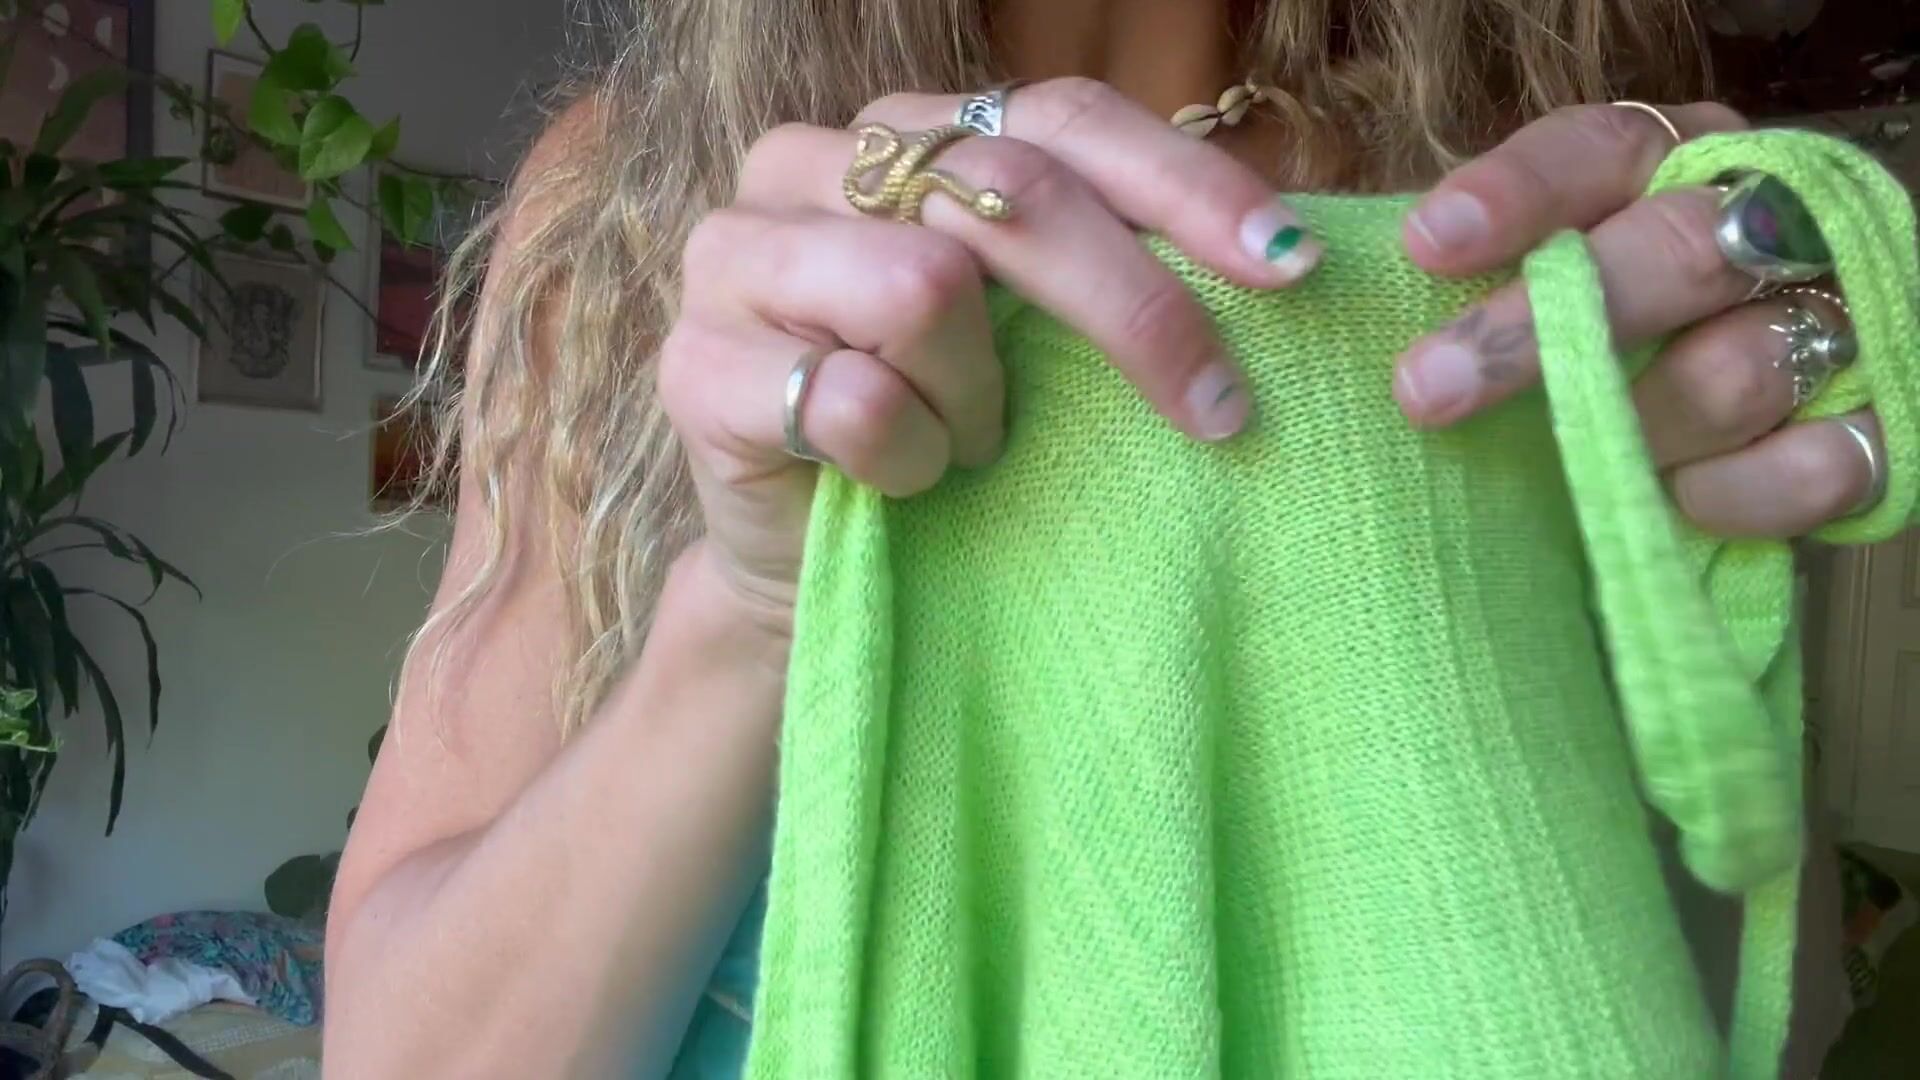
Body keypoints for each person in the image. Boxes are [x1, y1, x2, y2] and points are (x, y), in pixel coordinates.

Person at [323, 1, 1883, 1075]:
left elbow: (1756, 997)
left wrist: (1693, 541)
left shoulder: (1539, 175)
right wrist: (749, 609)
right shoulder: (633, 196)